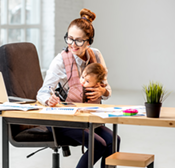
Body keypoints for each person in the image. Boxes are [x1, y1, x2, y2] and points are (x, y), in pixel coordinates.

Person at [37, 8, 120, 168]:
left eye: (79, 41)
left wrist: (103, 91)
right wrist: (49, 99)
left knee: (114, 141)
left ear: (89, 41)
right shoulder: (60, 60)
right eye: (69, 39)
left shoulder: (96, 56)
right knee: (99, 144)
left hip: (88, 118)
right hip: (65, 120)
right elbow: (42, 92)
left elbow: (106, 86)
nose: (72, 45)